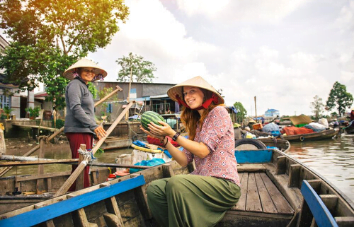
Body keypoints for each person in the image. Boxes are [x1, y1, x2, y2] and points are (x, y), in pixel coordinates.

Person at [141, 76, 241, 227]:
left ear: (205, 94)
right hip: (202, 183)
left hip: (224, 185)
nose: (187, 97)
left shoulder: (219, 112)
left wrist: (174, 134)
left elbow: (202, 151)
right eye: (185, 94)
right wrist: (165, 140)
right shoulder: (196, 125)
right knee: (155, 189)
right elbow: (183, 160)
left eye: (192, 91)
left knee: (177, 183)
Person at [63, 58, 107, 190]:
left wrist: (94, 132)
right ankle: (79, 195)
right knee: (80, 166)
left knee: (84, 164)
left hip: (85, 130)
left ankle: (78, 192)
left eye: (92, 71)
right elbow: (76, 108)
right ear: (78, 71)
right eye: (86, 70)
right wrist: (94, 126)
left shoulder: (85, 87)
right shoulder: (75, 85)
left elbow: (88, 113)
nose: (90, 73)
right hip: (77, 130)